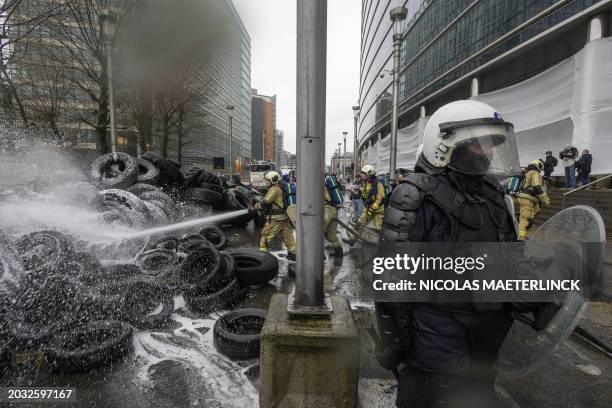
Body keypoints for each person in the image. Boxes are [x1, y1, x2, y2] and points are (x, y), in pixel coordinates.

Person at [376, 100, 525, 408]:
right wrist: (394, 342)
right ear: (445, 145)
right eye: (478, 145)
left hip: (486, 344)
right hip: (435, 347)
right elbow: (393, 281)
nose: (487, 152)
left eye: (491, 145)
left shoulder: (494, 193)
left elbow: (511, 255)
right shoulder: (415, 195)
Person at [254, 171, 296, 260]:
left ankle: (263, 258)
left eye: (267, 181)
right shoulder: (282, 187)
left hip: (276, 219)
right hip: (285, 217)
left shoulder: (274, 189)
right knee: (290, 239)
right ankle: (294, 256)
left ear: (272, 180)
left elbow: (265, 202)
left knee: (264, 238)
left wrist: (256, 206)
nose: (266, 183)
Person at [345, 164, 385, 246]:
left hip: (378, 211)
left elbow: (380, 199)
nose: (362, 175)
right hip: (369, 208)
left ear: (370, 174)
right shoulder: (367, 183)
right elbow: (366, 195)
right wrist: (359, 190)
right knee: (359, 224)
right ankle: (352, 240)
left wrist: (372, 209)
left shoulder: (378, 184)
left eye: (364, 174)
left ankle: (382, 247)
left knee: (378, 230)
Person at [514, 159, 551, 240]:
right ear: (538, 165)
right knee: (526, 221)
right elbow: (537, 187)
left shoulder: (526, 173)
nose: (540, 170)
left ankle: (515, 231)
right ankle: (519, 240)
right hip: (528, 199)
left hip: (521, 197)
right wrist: (546, 200)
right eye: (541, 167)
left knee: (524, 218)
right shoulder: (535, 173)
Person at [324, 176, 344, 262]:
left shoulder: (322, 187)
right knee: (332, 234)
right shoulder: (330, 187)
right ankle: (339, 252)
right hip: (334, 211)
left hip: (327, 211)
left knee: (318, 233)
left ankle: (319, 255)